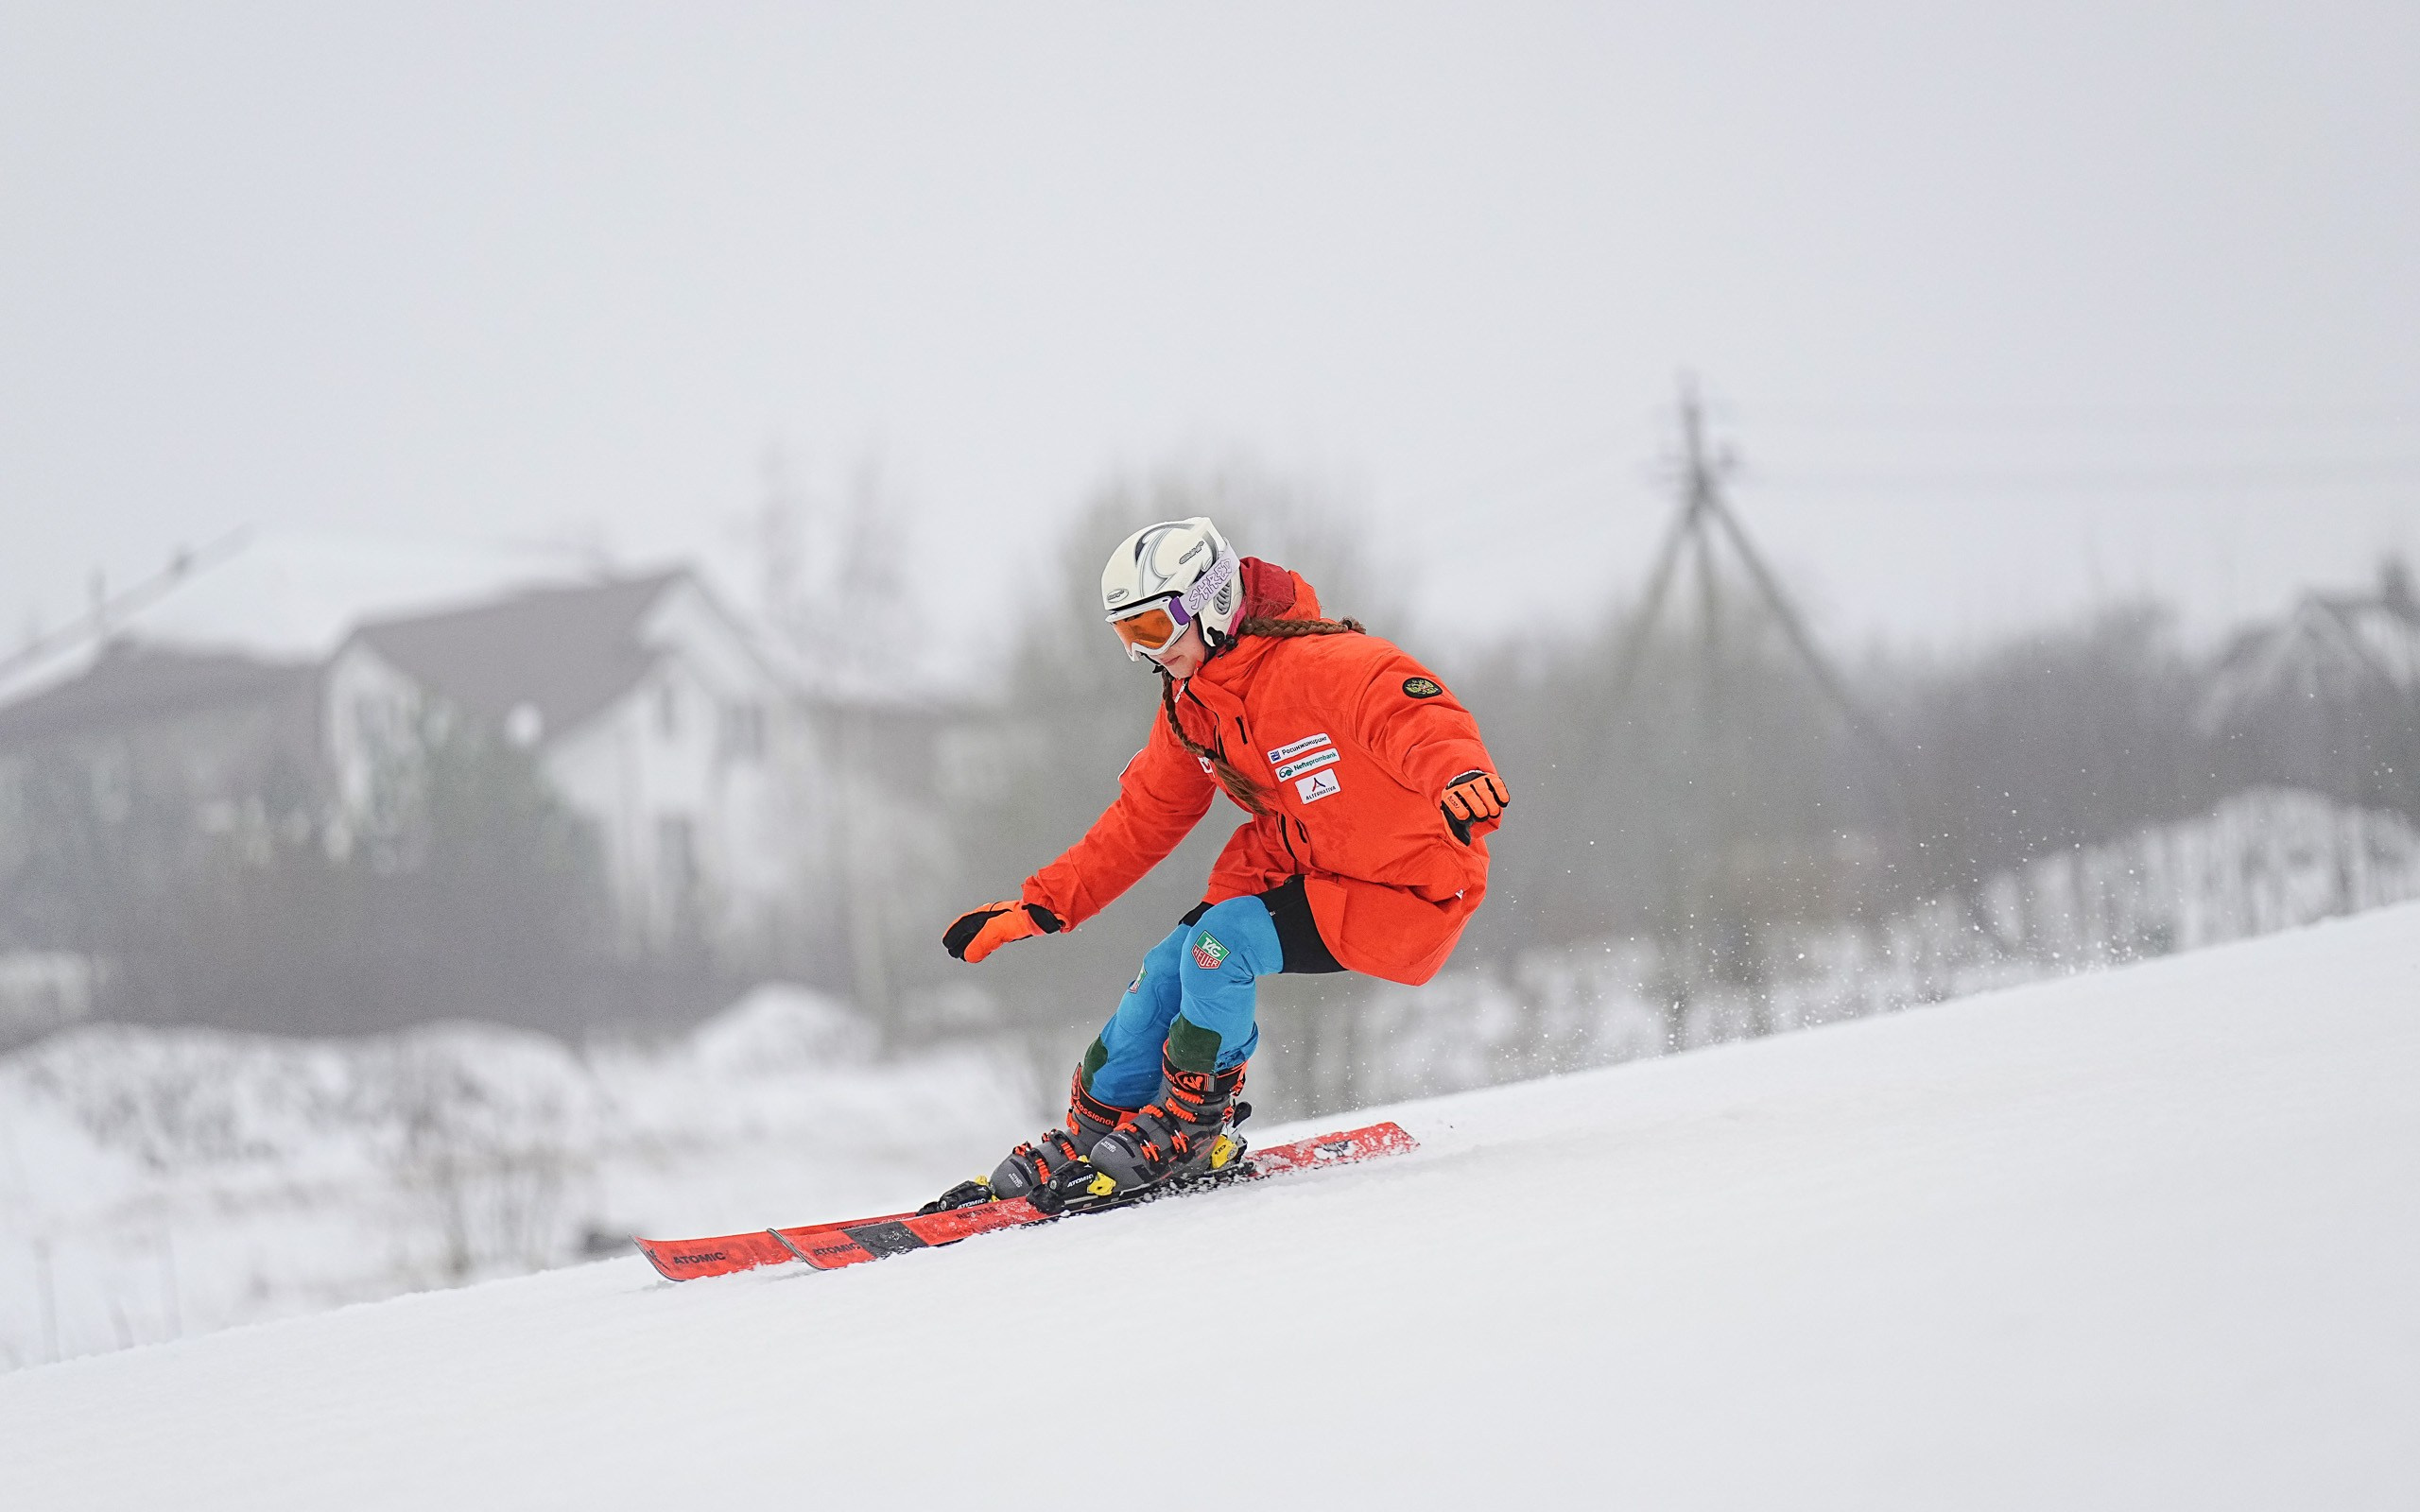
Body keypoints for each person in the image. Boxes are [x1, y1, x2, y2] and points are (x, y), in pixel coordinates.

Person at [930, 516, 1508, 1210]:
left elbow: (1413, 710)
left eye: (1152, 630)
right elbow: (1144, 817)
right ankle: (1098, 1130)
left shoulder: (1322, 666)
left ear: (1211, 602)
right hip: (1311, 869)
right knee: (1170, 962)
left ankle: (1200, 1125)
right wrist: (1041, 904)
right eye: (1127, 637)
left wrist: (1457, 776)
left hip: (1407, 885)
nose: (1146, 654)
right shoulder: (1193, 701)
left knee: (1217, 946)